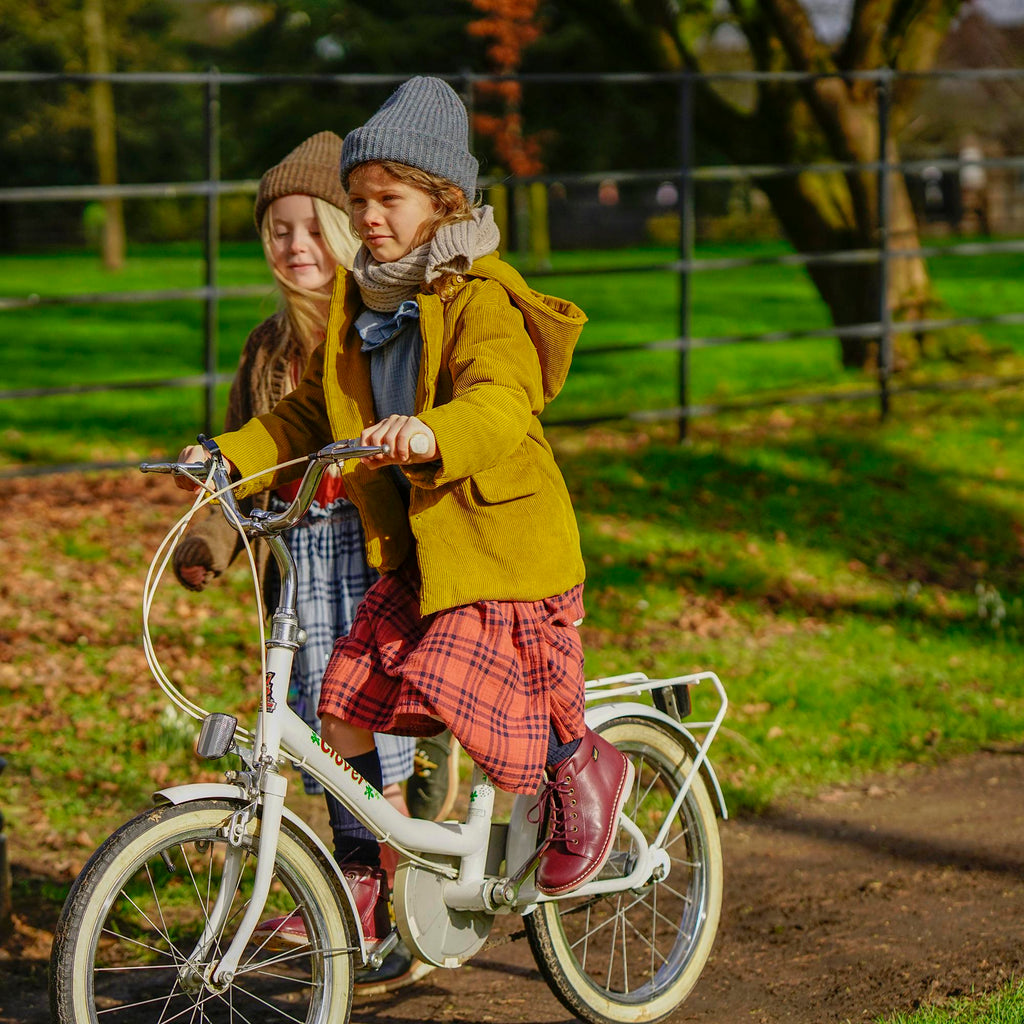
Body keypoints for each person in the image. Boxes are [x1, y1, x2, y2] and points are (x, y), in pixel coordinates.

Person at [176, 77, 633, 943]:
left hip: (498, 544)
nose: (371, 216)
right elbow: (311, 412)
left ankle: (586, 769)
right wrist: (229, 455)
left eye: (389, 199)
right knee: (343, 707)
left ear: (443, 200)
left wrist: (430, 433)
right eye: (360, 199)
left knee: (473, 694)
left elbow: (504, 401)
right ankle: (364, 881)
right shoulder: (363, 299)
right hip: (421, 553)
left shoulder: (479, 295)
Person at [171, 131, 439, 989]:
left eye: (312, 227)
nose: (296, 245)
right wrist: (209, 537)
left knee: (388, 745)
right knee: (326, 741)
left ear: (347, 229)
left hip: (372, 561)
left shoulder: (379, 327)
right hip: (300, 573)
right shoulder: (266, 349)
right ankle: (362, 896)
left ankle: (400, 900)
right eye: (278, 230)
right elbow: (247, 470)